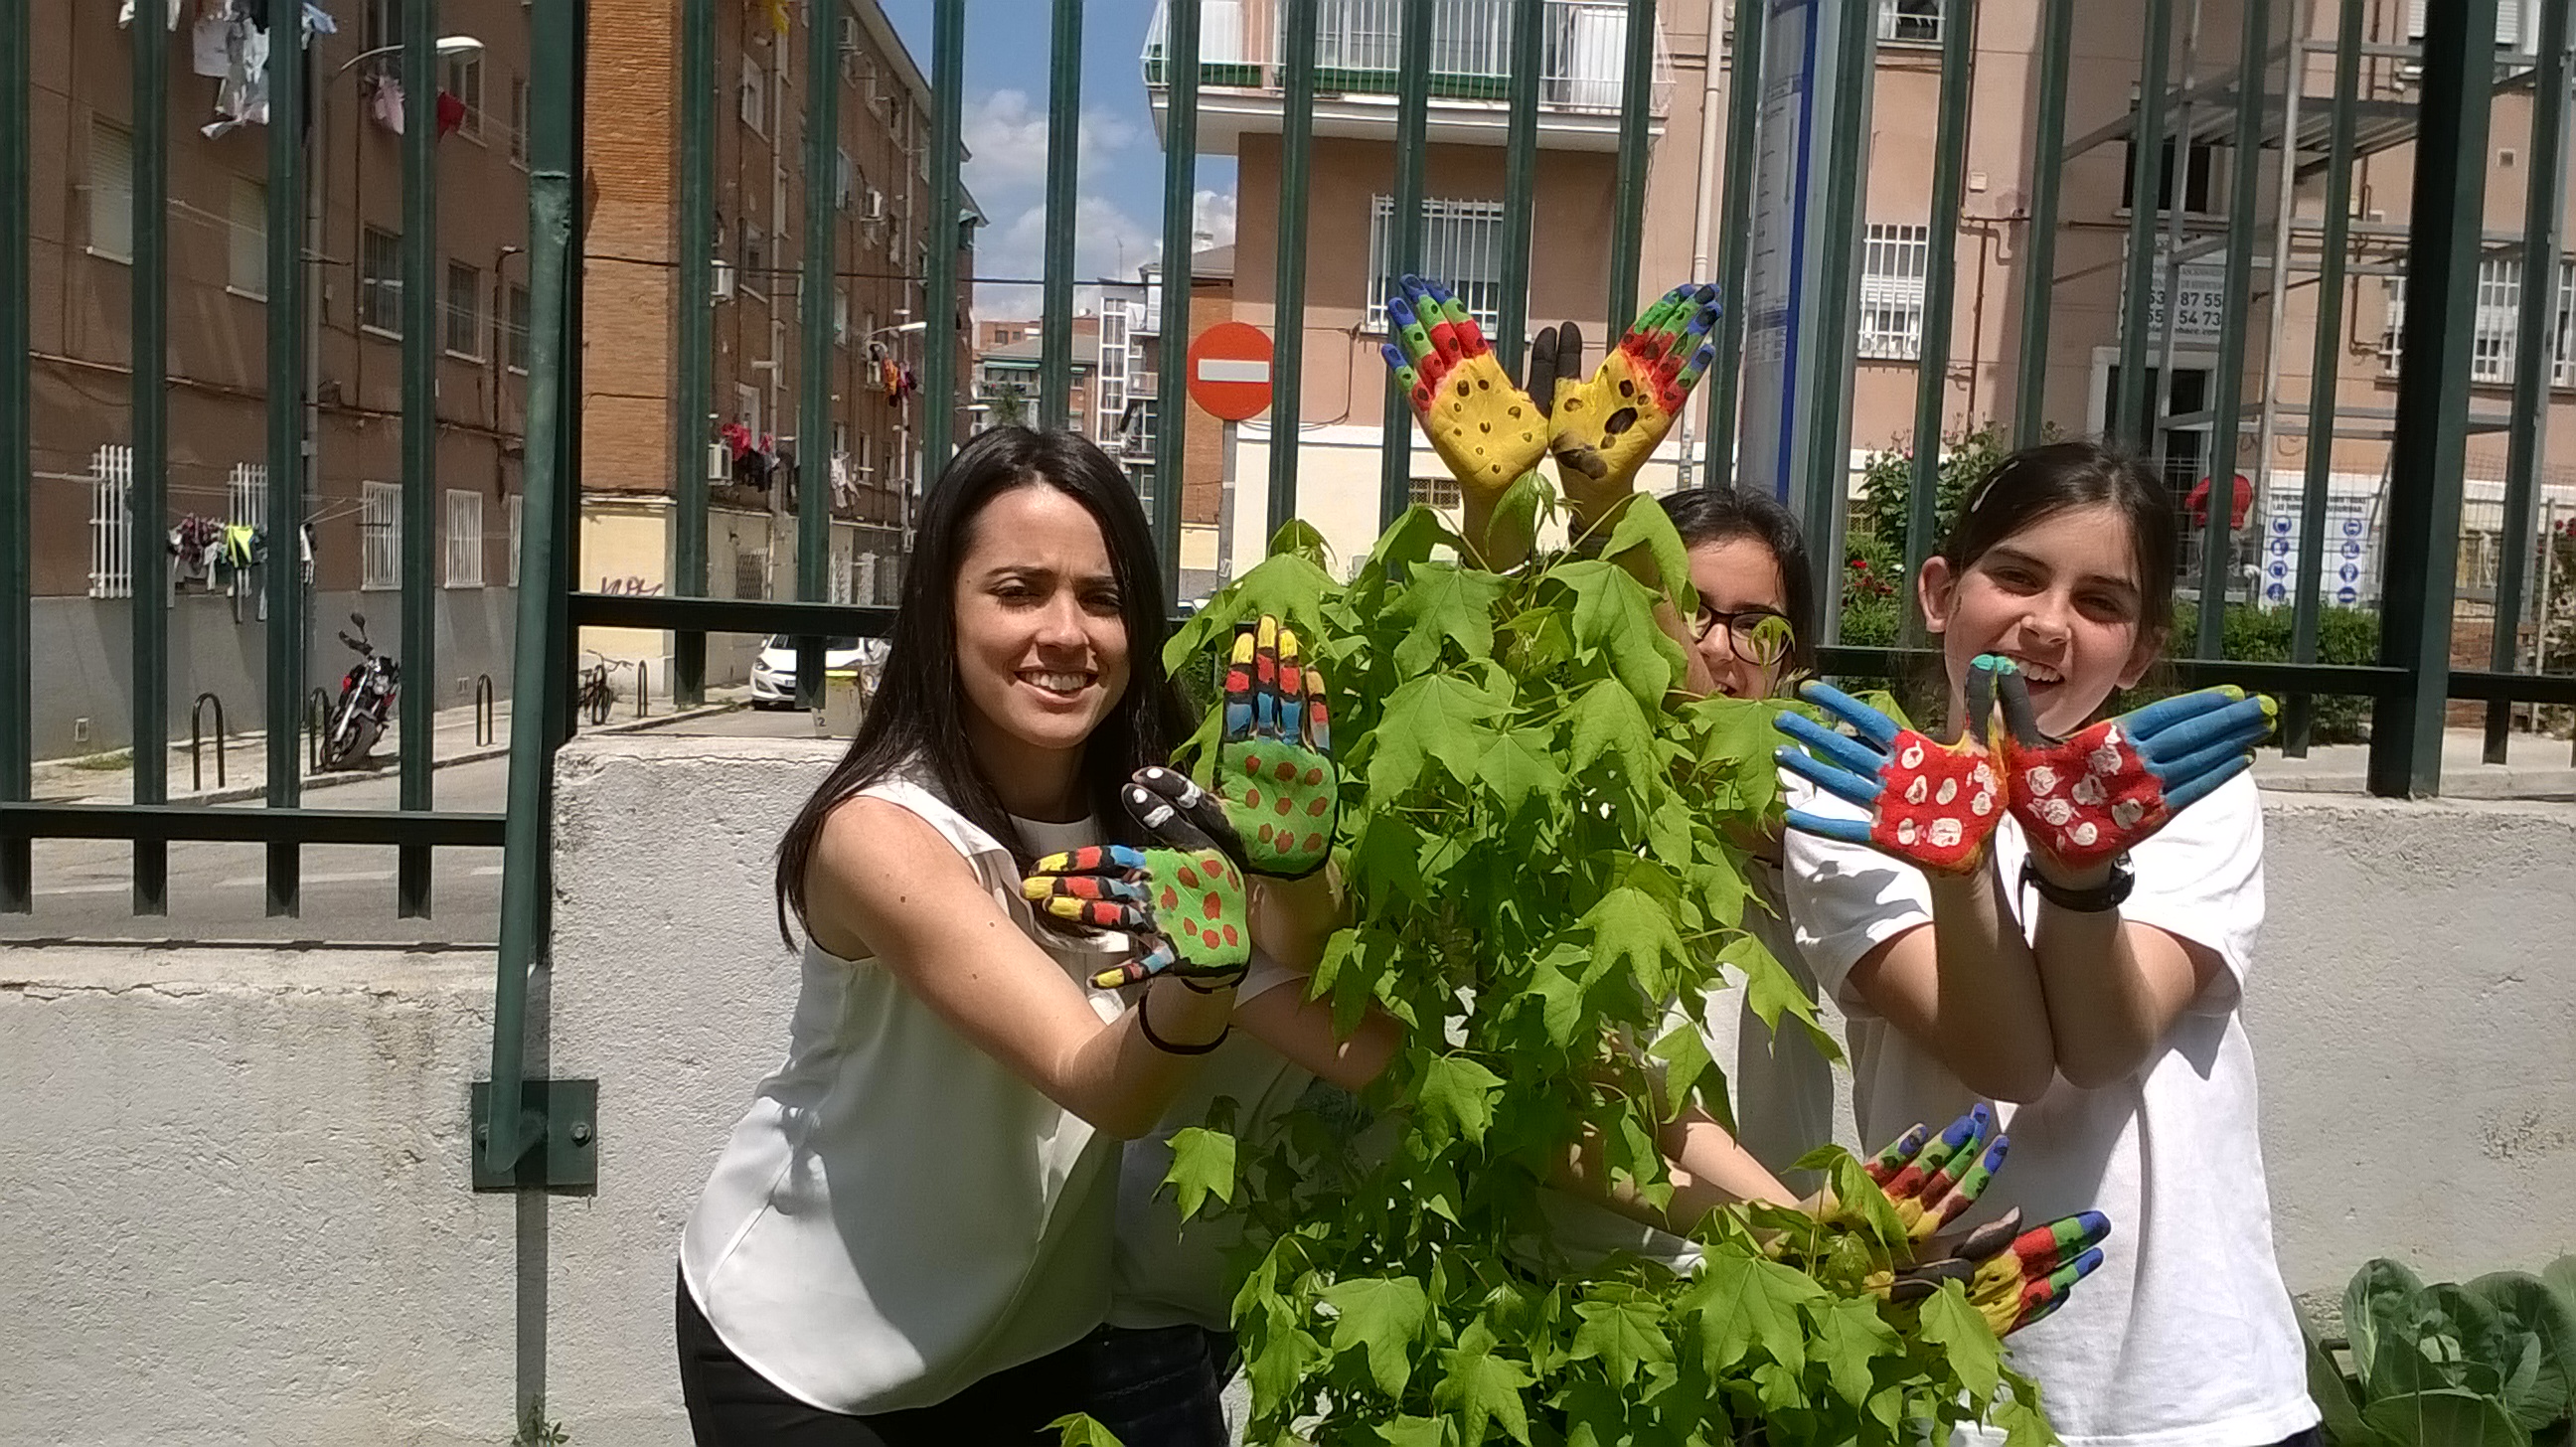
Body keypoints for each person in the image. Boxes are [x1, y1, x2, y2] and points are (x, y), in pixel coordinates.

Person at [675, 426, 1271, 1445]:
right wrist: (1201, 979)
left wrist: (1296, 867)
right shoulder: (880, 837)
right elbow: (1099, 1078)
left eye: (1103, 596)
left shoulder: (1164, 812)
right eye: (1017, 590)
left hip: (1030, 1340)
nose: (1066, 631)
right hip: (811, 1349)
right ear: (940, 609)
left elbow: (1308, 956)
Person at [1773, 440, 2316, 1447]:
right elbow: (2009, 1060)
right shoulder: (1854, 802)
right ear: (1940, 591)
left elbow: (2105, 1045)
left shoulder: (2187, 800)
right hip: (1960, 1374)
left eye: (2101, 602)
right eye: (2016, 575)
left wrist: (2078, 875)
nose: (2048, 623)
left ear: (2142, 651)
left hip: (2195, 1387)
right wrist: (1961, 863)